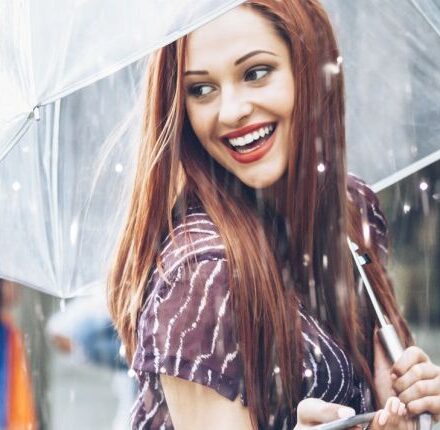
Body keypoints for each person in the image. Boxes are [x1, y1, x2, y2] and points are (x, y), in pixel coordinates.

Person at [108, 1, 440, 429]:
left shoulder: (354, 212)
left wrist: (410, 410)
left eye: (255, 72)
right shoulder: (203, 277)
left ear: (311, 66)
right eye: (201, 89)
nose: (231, 112)